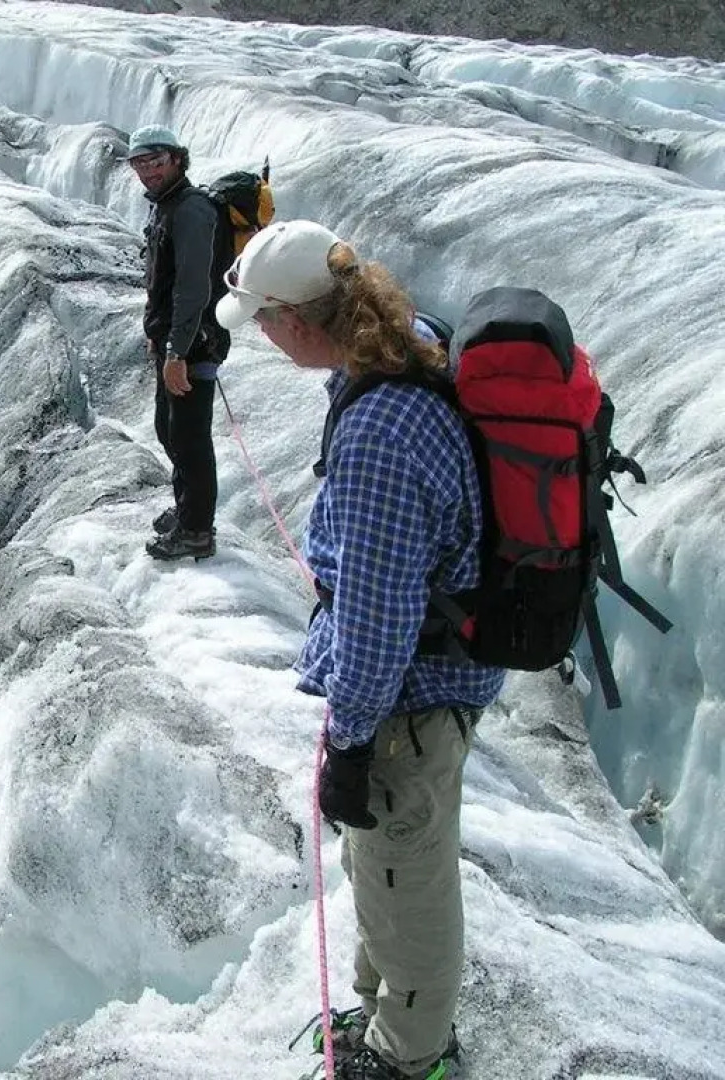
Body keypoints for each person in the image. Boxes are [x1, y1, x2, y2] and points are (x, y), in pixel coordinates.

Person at [215, 220, 506, 1080]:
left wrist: (348, 738)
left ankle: (412, 1056)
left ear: (303, 319)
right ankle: (389, 1014)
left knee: (405, 876)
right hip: (423, 685)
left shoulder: (381, 432)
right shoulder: (404, 346)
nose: (262, 338)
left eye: (265, 322)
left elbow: (379, 620)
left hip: (408, 702)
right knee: (384, 863)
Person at [127, 125, 231, 561]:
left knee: (188, 438)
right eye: (139, 163)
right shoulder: (167, 207)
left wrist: (177, 352)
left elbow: (193, 288)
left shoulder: (190, 210)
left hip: (193, 344)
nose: (147, 170)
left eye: (155, 160)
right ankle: (187, 509)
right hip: (173, 340)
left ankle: (196, 532)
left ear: (176, 159)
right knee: (169, 429)